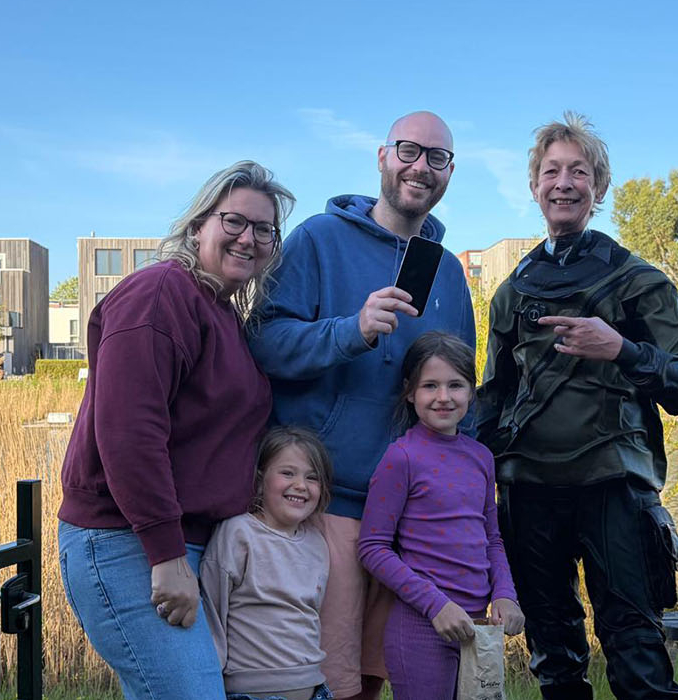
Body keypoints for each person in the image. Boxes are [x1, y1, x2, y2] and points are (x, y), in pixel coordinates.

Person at [477, 112, 678, 700]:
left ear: (598, 188)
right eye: (551, 171)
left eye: (578, 171)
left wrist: (622, 349)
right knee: (553, 657)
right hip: (527, 491)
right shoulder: (512, 292)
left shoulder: (639, 282)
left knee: (635, 650)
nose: (563, 182)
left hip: (614, 487)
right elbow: (492, 398)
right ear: (534, 188)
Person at [249, 111, 475, 700]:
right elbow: (265, 342)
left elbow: (462, 390)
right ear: (381, 156)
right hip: (334, 503)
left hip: (414, 516)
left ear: (450, 172)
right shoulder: (317, 241)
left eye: (437, 158)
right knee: (330, 680)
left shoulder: (448, 273)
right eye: (409, 151)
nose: (421, 167)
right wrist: (350, 330)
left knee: (380, 675)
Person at [57, 161, 295, 699]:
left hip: (185, 544)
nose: (249, 238)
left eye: (264, 230)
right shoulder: (160, 295)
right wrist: (164, 556)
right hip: (128, 543)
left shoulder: (222, 313)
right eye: (234, 221)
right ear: (197, 228)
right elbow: (129, 432)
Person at [357, 332, 524, 700]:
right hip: (421, 627)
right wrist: (437, 605)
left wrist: (507, 595)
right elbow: (373, 548)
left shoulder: (481, 457)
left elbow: (491, 538)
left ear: (471, 392)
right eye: (430, 385)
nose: (444, 397)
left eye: (456, 385)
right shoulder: (401, 457)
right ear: (410, 392)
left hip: (478, 627)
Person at [201, 426, 336, 700]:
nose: (300, 485)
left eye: (312, 477)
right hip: (249, 692)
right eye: (288, 473)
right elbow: (212, 610)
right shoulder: (239, 533)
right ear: (261, 479)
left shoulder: (317, 543)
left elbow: (309, 616)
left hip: (314, 690)